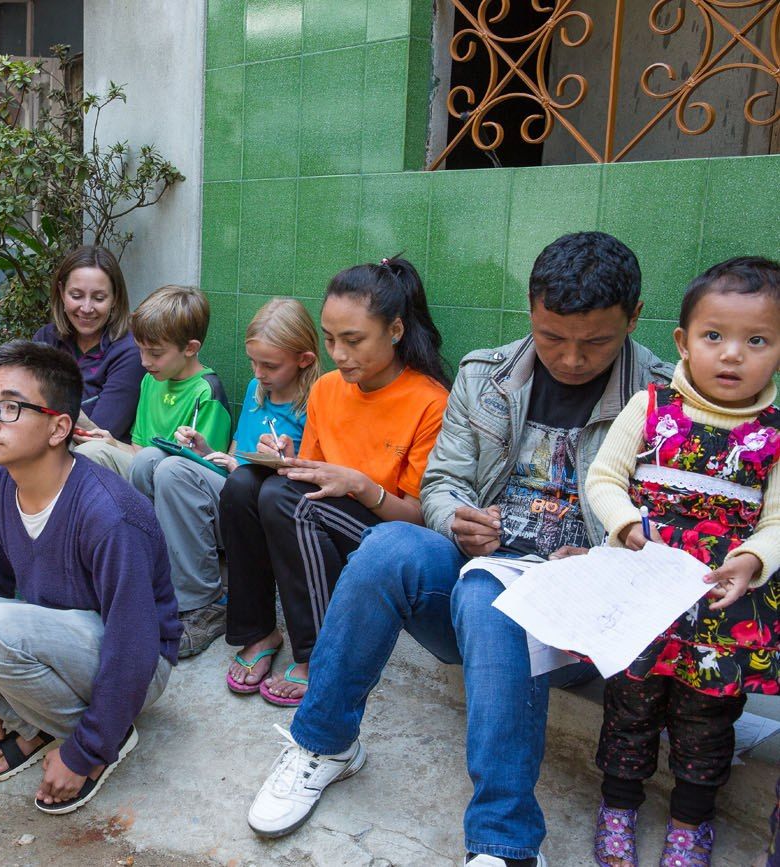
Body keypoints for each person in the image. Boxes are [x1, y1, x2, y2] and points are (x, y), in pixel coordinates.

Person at [244, 232, 674, 867]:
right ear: (531, 311)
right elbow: (443, 484)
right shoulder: (486, 376)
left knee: (486, 597)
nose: (572, 360)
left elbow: (681, 531)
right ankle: (324, 743)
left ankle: (505, 844)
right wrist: (456, 519)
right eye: (553, 338)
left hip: (585, 619)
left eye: (597, 343)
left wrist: (607, 558)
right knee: (394, 546)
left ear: (634, 319)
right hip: (484, 573)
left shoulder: (668, 402)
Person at [0, 340, 180, 814]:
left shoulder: (109, 515)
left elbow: (133, 644)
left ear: (59, 428)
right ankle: (35, 724)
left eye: (10, 408)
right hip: (47, 639)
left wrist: (84, 753)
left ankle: (100, 737)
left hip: (135, 664)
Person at [584, 257, 780, 867]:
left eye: (758, 341)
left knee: (708, 721)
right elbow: (605, 478)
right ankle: (618, 806)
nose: (732, 355)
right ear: (683, 342)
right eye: (714, 336)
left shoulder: (775, 433)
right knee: (629, 707)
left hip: (725, 609)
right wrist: (624, 525)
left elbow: (778, 521)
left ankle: (691, 822)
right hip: (644, 595)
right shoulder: (651, 407)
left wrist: (752, 557)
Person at [220, 259, 450, 706]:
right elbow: (311, 473)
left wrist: (361, 485)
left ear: (396, 331)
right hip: (320, 523)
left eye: (353, 340)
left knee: (288, 500)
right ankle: (259, 630)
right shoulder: (326, 388)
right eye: (330, 340)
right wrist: (288, 459)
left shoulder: (430, 402)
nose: (339, 354)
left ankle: (319, 655)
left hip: (386, 533)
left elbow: (420, 518)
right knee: (245, 484)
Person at [129, 297, 319, 658]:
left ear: (304, 360)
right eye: (253, 362)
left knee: (171, 470)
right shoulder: (256, 389)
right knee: (149, 460)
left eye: (269, 365)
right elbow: (234, 451)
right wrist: (203, 452)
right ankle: (148, 578)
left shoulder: (315, 401)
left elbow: (309, 475)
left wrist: (255, 467)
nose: (258, 372)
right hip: (233, 490)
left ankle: (205, 604)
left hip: (263, 507)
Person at [0, 244, 147, 485]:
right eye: (76, 296)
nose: (86, 308)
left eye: (99, 298)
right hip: (38, 438)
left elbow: (96, 434)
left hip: (87, 454)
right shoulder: (47, 338)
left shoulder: (129, 351)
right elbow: (23, 404)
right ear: (61, 292)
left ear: (115, 298)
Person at [74, 283, 231, 479]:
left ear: (190, 348)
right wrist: (112, 443)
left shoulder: (206, 392)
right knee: (87, 451)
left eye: (155, 353)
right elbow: (138, 451)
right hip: (143, 472)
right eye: (140, 349)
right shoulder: (150, 379)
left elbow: (207, 470)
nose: (144, 361)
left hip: (177, 482)